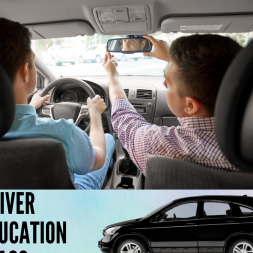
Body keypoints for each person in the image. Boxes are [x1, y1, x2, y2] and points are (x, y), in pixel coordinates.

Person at [0, 18, 115, 189]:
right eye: (33, 61)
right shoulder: (62, 134)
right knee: (106, 140)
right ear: (25, 71)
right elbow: (97, 159)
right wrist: (95, 114)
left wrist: (30, 107)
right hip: (67, 210)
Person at [103, 34, 248, 175]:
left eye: (169, 83)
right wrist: (171, 59)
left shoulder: (160, 144)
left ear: (190, 106)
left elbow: (123, 118)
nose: (163, 83)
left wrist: (112, 76)